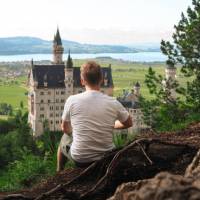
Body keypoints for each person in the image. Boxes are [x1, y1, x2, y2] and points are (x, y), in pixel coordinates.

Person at [57, 61, 132, 172]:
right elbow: (129, 123)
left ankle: (59, 172)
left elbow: (65, 128)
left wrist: (76, 132)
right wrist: (113, 125)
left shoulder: (72, 100)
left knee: (64, 139)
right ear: (101, 80)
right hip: (106, 158)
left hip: (81, 159)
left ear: (82, 81)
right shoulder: (113, 102)